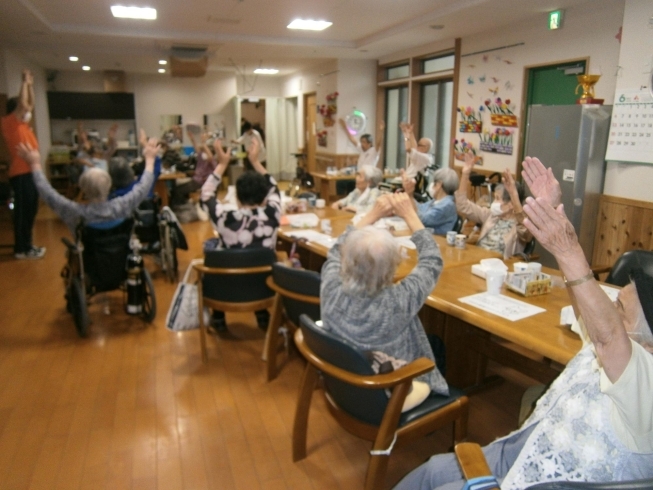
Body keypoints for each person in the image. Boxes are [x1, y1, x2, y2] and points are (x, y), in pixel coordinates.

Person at [393, 156, 653, 490]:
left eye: (620, 309)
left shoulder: (642, 380)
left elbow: (608, 337)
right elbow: (592, 318)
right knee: (431, 470)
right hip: (526, 445)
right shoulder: (614, 347)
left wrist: (567, 248)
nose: (609, 310)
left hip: (542, 481)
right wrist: (554, 214)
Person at [321, 193, 449, 410]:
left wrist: (373, 214)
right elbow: (432, 261)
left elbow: (336, 250)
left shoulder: (330, 287)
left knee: (433, 341)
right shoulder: (398, 301)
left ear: (347, 260)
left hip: (344, 382)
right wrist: (410, 215)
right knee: (435, 347)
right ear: (392, 268)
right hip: (389, 390)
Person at [200, 138, 281, 331]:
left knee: (215, 254)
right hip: (264, 288)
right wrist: (255, 162)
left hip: (224, 289)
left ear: (237, 198)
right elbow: (274, 187)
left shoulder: (224, 218)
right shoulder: (272, 213)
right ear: (264, 199)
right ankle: (262, 313)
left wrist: (222, 164)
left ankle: (218, 317)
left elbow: (206, 194)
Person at [15, 136, 159, 235]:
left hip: (89, 266)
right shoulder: (122, 206)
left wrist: (34, 164)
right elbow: (143, 186)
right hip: (120, 262)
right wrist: (150, 159)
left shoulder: (74, 212)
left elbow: (47, 193)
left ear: (83, 188)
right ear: (109, 185)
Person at [1, 69, 45, 259]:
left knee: (31, 210)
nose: (28, 112)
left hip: (32, 173)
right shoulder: (10, 123)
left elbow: (30, 104)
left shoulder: (24, 126)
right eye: (24, 110)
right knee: (22, 212)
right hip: (21, 174)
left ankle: (28, 245)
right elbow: (23, 104)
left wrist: (31, 86)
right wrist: (24, 83)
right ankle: (21, 248)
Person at [455, 152, 531, 259]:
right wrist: (465, 174)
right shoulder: (490, 215)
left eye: (497, 199)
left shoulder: (520, 225)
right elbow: (462, 205)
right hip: (478, 260)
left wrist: (514, 197)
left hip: (501, 268)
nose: (493, 203)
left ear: (510, 205)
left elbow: (525, 233)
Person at [402, 167, 459, 235]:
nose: (431, 186)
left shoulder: (448, 205)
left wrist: (410, 195)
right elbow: (419, 208)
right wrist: (406, 196)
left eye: (434, 182)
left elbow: (422, 220)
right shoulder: (436, 201)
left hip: (436, 242)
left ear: (439, 185)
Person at [170, 128, 218, 205]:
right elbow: (196, 148)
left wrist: (203, 143)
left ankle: (183, 206)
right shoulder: (201, 156)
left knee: (178, 190)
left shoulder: (211, 159)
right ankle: (183, 204)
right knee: (176, 188)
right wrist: (192, 139)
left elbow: (210, 157)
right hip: (196, 180)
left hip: (200, 182)